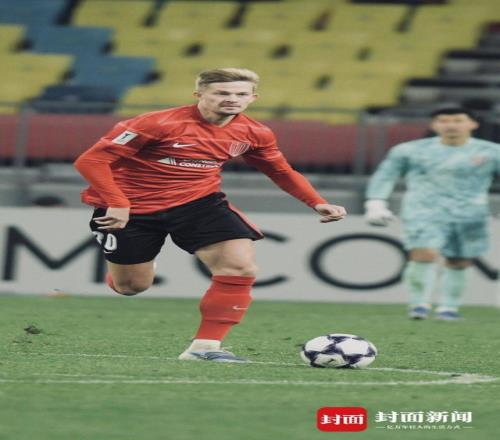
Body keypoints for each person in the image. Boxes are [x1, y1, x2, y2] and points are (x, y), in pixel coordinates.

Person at [74, 68, 346, 362]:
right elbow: (91, 160)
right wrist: (117, 202)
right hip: (132, 207)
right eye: (222, 93)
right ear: (199, 94)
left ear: (253, 98)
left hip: (198, 204)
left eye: (241, 94)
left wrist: (316, 202)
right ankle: (125, 272)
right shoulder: (157, 123)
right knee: (131, 286)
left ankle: (204, 347)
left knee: (239, 266)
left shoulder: (255, 132)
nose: (232, 99)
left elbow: (280, 171)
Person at [365, 107, 500, 321]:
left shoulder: (491, 152)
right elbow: (386, 175)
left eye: (457, 120)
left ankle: (449, 308)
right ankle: (418, 305)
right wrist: (376, 202)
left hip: (470, 213)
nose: (451, 125)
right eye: (444, 120)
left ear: (472, 124)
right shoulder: (409, 150)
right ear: (434, 125)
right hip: (423, 210)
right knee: (424, 254)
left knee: (459, 260)